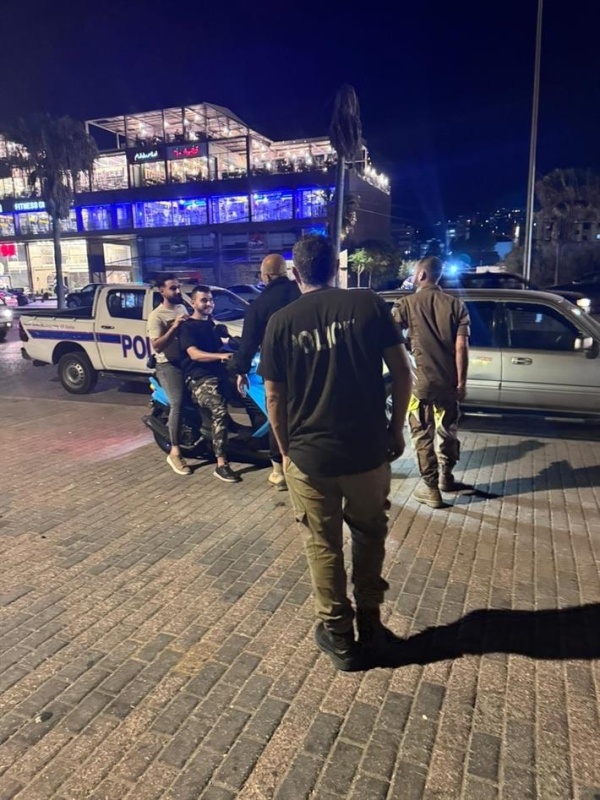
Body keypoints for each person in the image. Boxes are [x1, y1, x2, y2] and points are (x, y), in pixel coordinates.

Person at [259, 235, 412, 671]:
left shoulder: (281, 322)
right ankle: (371, 624)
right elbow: (403, 372)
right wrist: (395, 429)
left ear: (296, 273)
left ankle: (340, 637)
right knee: (369, 535)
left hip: (311, 458)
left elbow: (274, 396)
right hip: (367, 452)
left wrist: (285, 451)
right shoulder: (368, 305)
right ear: (335, 269)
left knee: (322, 545)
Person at [392, 256, 470, 509]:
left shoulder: (405, 304)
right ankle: (447, 476)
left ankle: (431, 489)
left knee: (422, 435)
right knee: (447, 430)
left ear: (422, 275)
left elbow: (389, 338)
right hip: (449, 384)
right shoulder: (456, 305)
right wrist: (461, 383)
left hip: (421, 385)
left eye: (415, 272)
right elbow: (461, 347)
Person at [233, 253, 301, 489]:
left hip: (276, 367)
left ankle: (279, 470)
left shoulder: (259, 304)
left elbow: (248, 343)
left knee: (277, 414)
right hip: (309, 363)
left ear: (267, 276)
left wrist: (240, 370)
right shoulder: (302, 293)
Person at [179, 285, 241, 484]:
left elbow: (222, 346)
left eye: (211, 300)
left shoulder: (212, 325)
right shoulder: (188, 327)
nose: (209, 304)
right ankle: (221, 463)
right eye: (204, 300)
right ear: (193, 303)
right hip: (199, 379)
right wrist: (221, 356)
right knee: (219, 409)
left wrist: (238, 349)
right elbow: (194, 354)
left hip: (219, 375)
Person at [147, 273, 190, 476]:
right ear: (162, 291)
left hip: (186, 361)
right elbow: (156, 346)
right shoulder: (156, 316)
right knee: (177, 403)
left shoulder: (182, 308)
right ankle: (175, 452)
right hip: (167, 365)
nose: (177, 291)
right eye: (173, 288)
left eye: (178, 287)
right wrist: (174, 326)